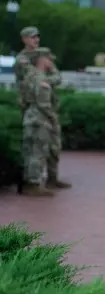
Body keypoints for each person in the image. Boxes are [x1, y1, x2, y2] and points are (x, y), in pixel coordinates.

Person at [20, 48, 60, 197]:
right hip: (39, 119)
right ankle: (33, 184)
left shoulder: (29, 76)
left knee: (29, 151)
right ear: (42, 60)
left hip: (30, 117)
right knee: (38, 151)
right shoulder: (40, 78)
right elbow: (44, 104)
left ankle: (27, 182)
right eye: (49, 60)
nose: (51, 63)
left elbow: (23, 100)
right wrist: (52, 118)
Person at [14, 27, 62, 117]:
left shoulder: (44, 55)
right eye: (33, 37)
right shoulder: (21, 59)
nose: (36, 40)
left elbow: (58, 78)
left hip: (48, 101)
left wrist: (46, 80)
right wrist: (43, 68)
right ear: (24, 39)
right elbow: (32, 76)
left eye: (37, 37)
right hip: (31, 103)